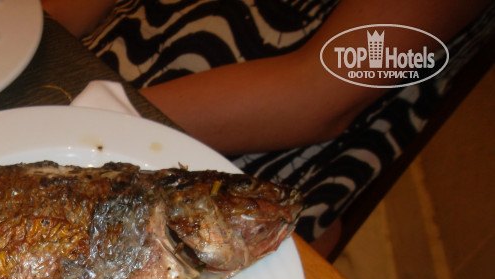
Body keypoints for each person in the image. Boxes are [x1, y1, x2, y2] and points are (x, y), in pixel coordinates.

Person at [42, 0, 494, 254]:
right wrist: (35, 38)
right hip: (83, 82)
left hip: (235, 174)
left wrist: (83, 124)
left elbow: (316, 96)